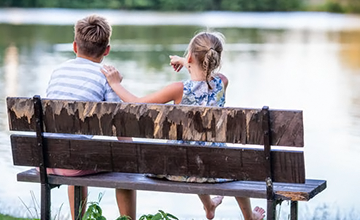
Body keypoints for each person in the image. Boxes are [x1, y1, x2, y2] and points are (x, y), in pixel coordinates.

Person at [101, 31, 265, 220]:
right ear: (215, 59)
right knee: (228, 160)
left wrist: (114, 84)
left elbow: (137, 104)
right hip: (219, 168)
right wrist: (187, 62)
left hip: (178, 169)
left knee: (192, 152)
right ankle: (248, 216)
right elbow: (209, 74)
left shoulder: (178, 89)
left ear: (190, 57)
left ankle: (209, 205)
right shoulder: (223, 82)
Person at [45, 15, 136, 220]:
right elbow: (121, 127)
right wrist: (132, 154)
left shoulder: (58, 71)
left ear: (75, 46)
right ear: (107, 50)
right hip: (75, 162)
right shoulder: (106, 76)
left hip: (47, 157)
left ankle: (77, 218)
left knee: (75, 148)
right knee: (124, 163)